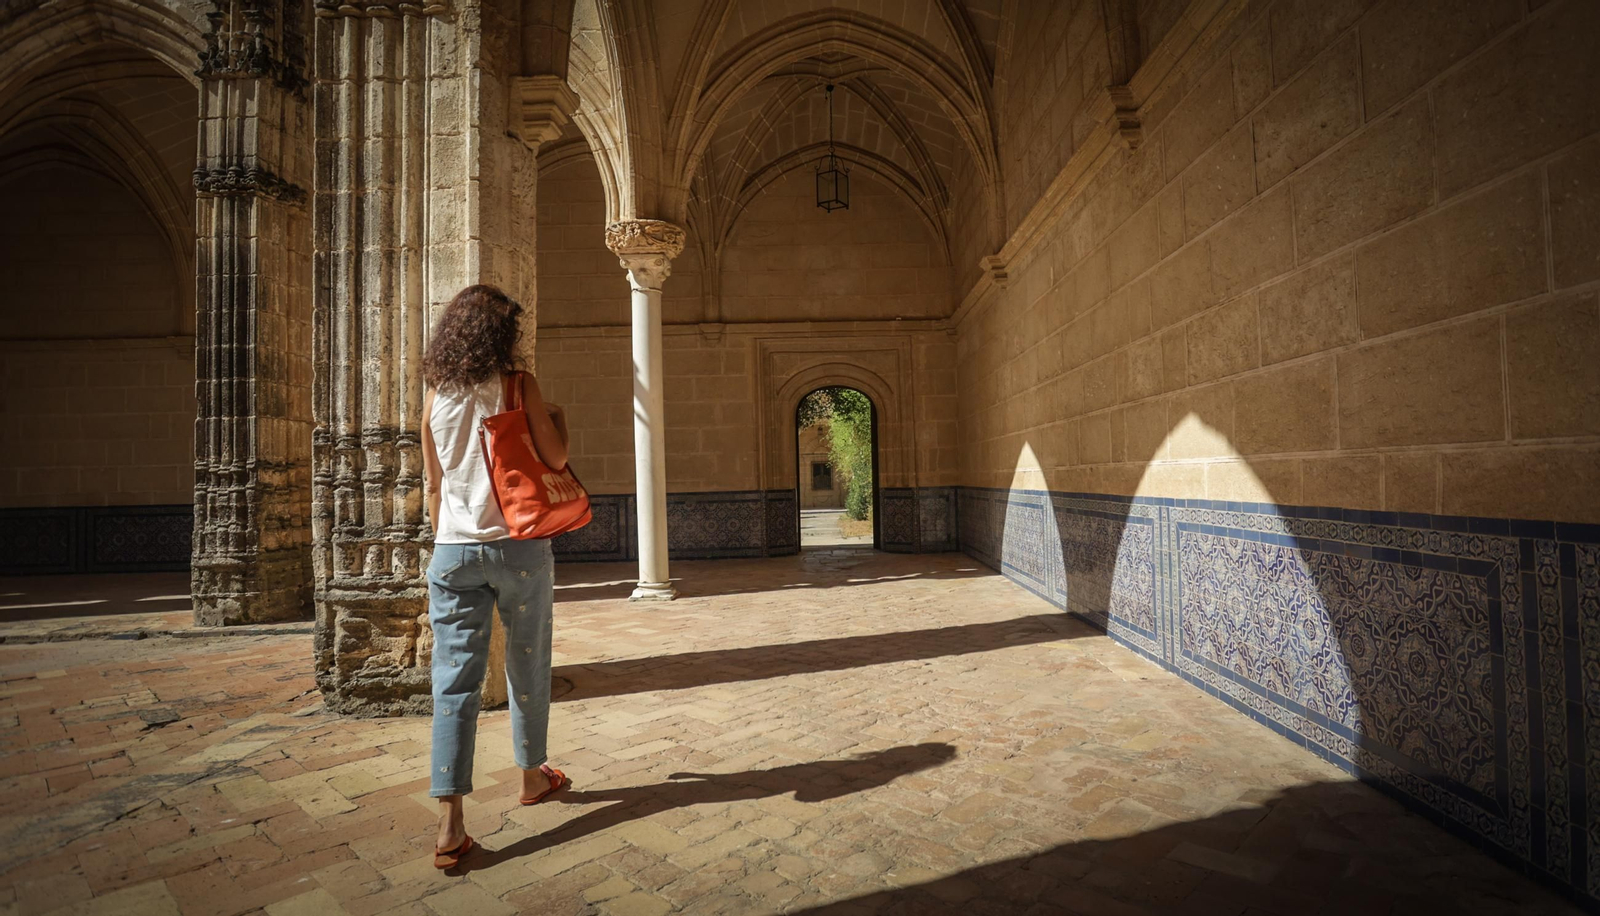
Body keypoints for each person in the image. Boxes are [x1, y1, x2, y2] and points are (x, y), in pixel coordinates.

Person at [419, 284, 572, 869]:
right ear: (501, 334)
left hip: (452, 552)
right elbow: (555, 459)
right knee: (527, 661)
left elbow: (433, 484)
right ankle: (532, 777)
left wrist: (447, 543)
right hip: (518, 547)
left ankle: (450, 825)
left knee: (453, 684)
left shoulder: (434, 394)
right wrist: (560, 418)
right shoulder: (517, 384)